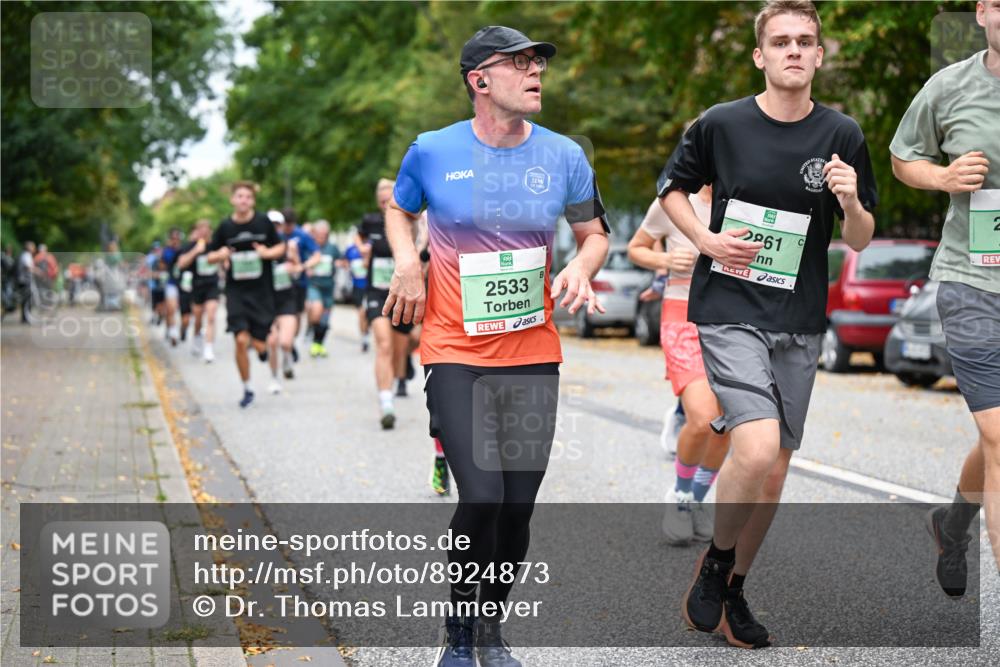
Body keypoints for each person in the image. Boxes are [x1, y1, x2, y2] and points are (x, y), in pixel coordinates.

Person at [383, 25, 609, 667]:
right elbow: (401, 210)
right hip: (454, 349)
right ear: (479, 80)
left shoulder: (564, 155)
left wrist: (582, 266)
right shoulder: (431, 150)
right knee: (480, 495)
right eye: (519, 62)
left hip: (533, 352)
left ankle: (489, 629)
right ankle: (456, 632)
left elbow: (593, 233)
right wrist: (407, 262)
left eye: (538, 61)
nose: (535, 70)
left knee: (516, 510)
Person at [660, 0, 877, 648]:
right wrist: (706, 240)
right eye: (780, 40)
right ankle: (719, 562)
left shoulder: (843, 135)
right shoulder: (722, 124)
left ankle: (734, 586)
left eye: (804, 41)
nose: (792, 50)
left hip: (799, 318)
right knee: (753, 447)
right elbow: (672, 188)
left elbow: (863, 233)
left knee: (776, 467)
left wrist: (848, 198)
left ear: (819, 54)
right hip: (730, 309)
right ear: (760, 54)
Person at [890, 0, 1000, 593]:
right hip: (973, 281)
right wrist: (944, 177)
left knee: (994, 437)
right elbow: (904, 157)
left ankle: (953, 526)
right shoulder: (948, 86)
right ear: (982, 13)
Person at [629, 184, 731, 545]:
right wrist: (666, 261)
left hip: (732, 322)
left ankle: (696, 501)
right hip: (682, 317)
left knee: (727, 424)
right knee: (703, 418)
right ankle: (679, 495)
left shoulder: (742, 201)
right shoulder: (673, 202)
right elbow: (636, 248)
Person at [204, 182, 285, 408]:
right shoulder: (225, 227)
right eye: (239, 196)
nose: (243, 200)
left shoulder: (263, 223)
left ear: (253, 201)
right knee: (240, 340)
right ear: (233, 200)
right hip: (236, 292)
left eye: (248, 197)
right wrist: (219, 254)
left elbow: (281, 248)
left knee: (260, 343)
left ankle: (262, 351)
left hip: (262, 293)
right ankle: (248, 388)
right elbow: (209, 256)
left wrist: (266, 252)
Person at [361, 184, 416, 430]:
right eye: (382, 201)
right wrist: (362, 253)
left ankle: (399, 377)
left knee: (400, 346)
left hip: (403, 294)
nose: (386, 206)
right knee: (384, 343)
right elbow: (359, 244)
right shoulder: (371, 225)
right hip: (377, 292)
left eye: (389, 200)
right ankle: (386, 402)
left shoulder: (409, 222)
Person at [266, 209, 301, 392]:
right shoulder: (259, 248)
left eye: (276, 225)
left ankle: (287, 359)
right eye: (270, 225)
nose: (273, 228)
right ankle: (274, 378)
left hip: (286, 299)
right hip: (266, 302)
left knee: (285, 342)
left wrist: (292, 266)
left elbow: (298, 269)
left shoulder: (289, 246)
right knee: (272, 342)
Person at [176, 219, 220, 362]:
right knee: (198, 318)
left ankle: (208, 348)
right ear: (196, 231)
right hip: (197, 286)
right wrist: (195, 252)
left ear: (210, 231)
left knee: (211, 316)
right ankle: (196, 337)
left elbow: (224, 257)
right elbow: (181, 263)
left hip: (212, 285)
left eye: (206, 228)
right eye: (200, 228)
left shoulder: (215, 245)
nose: (204, 231)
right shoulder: (191, 246)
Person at [280, 208, 317, 362]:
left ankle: (291, 341)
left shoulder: (302, 235)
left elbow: (316, 255)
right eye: (285, 225)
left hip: (298, 282)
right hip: (279, 282)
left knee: (296, 315)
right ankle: (285, 341)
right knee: (282, 315)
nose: (287, 228)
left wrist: (303, 266)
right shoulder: (276, 233)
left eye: (290, 225)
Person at [305, 219, 341, 358]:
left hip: (328, 287)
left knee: (325, 320)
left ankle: (318, 344)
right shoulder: (310, 247)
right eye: (319, 234)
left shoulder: (332, 248)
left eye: (324, 234)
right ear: (314, 234)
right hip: (314, 285)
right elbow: (301, 261)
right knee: (316, 311)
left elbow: (341, 259)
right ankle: (312, 332)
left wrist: (341, 263)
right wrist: (307, 266)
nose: (321, 237)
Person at [343, 227, 371, 352]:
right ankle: (364, 338)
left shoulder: (371, 247)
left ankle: (367, 332)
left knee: (367, 314)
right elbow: (345, 262)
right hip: (357, 286)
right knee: (361, 313)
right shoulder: (350, 250)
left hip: (370, 286)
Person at [160, 228, 183, 346]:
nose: (175, 240)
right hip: (171, 283)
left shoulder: (184, 250)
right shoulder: (166, 251)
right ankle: (173, 332)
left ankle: (174, 329)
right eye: (173, 238)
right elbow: (162, 265)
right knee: (171, 308)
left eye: (177, 238)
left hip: (183, 283)